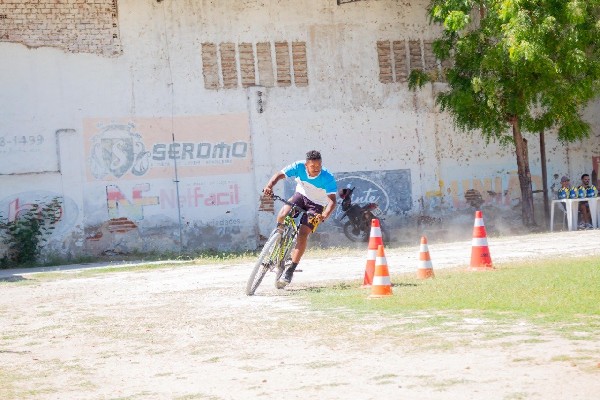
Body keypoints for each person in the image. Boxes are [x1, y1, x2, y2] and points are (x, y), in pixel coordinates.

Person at [262, 150, 337, 288]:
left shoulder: (328, 177)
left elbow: (332, 201)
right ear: (306, 165)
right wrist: (269, 186)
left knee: (302, 235)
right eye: (313, 166)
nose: (316, 169)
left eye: (319, 165)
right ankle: (274, 246)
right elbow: (279, 175)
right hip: (301, 196)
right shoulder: (298, 166)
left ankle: (290, 270)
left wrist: (324, 216)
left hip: (317, 205)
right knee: (283, 214)